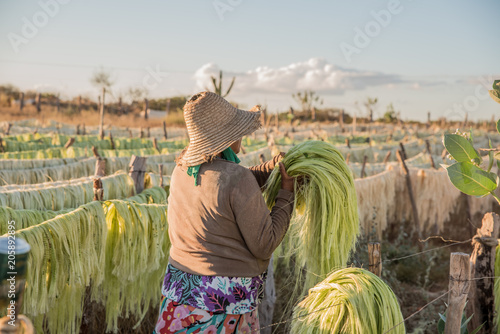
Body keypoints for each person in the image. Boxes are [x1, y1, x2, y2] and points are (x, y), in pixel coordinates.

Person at [154, 91, 295, 334]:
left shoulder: (181, 171)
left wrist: (269, 168)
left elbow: (223, 188)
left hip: (179, 298)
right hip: (224, 308)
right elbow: (265, 244)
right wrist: (287, 192)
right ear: (226, 135)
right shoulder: (237, 179)